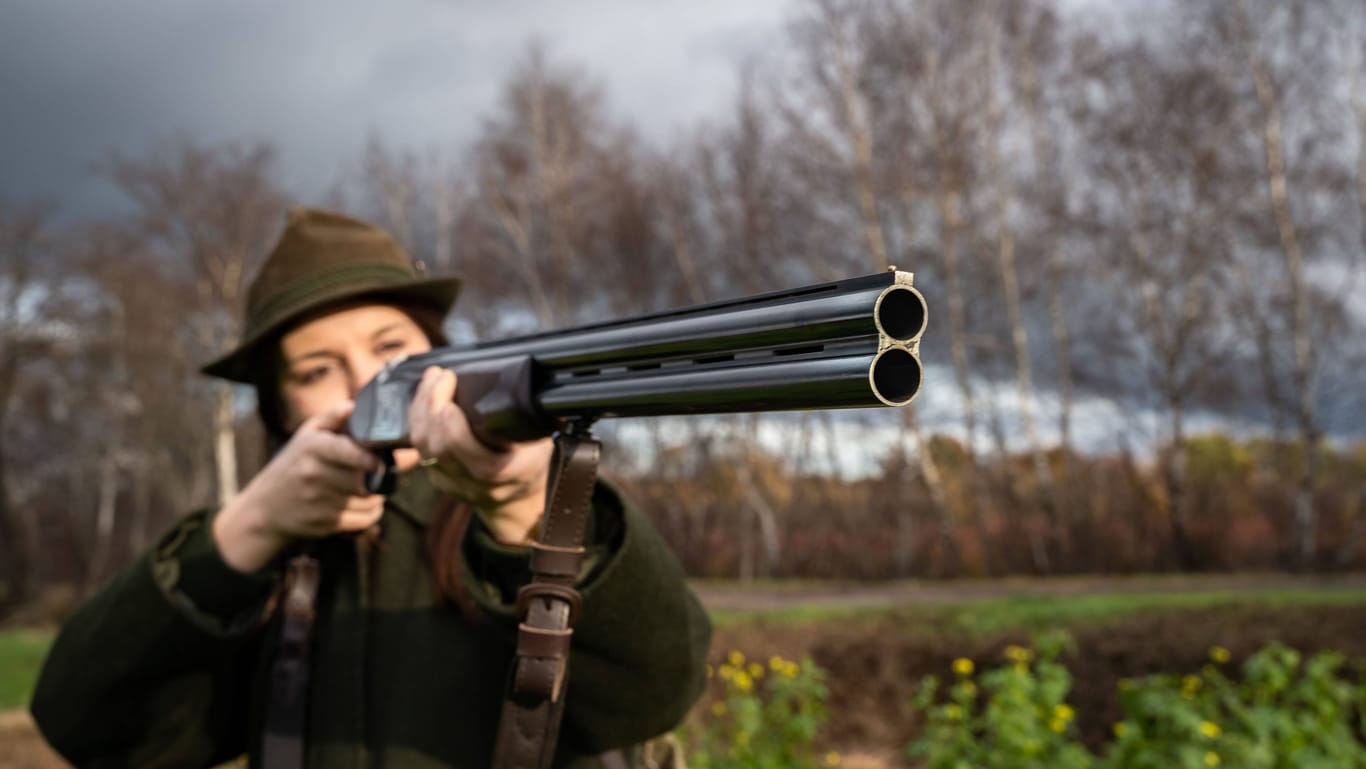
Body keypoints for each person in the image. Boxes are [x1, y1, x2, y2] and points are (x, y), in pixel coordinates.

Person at [30, 208, 711, 769]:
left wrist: (522, 510)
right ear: (283, 412)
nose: (364, 383)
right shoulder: (260, 566)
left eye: (390, 348)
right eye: (318, 369)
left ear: (439, 359)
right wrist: (249, 527)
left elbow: (656, 689)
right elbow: (90, 726)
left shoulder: (517, 508)